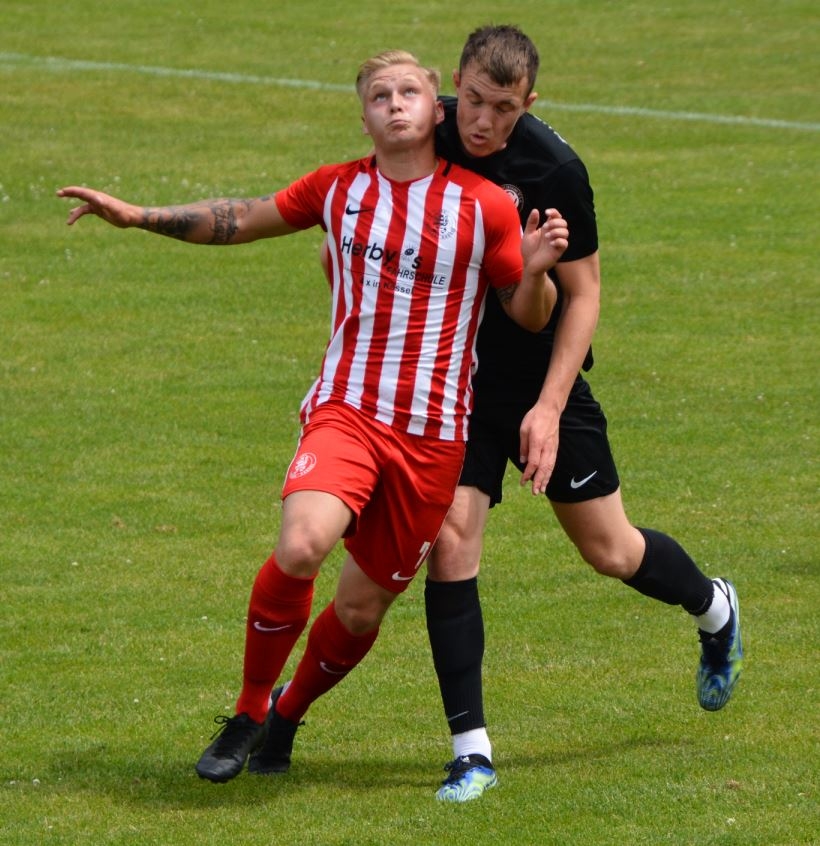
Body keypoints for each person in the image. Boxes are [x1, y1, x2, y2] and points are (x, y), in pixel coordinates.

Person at [59, 49, 568, 784]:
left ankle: (287, 716)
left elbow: (529, 314)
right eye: (379, 96)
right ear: (363, 117)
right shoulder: (336, 189)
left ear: (436, 109)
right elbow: (241, 218)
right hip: (346, 411)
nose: (395, 104)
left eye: (409, 92)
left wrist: (539, 269)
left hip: (432, 437)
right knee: (301, 545)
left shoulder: (484, 204)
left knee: (360, 611)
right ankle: (248, 710)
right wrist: (138, 216)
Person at [423, 25, 744, 802]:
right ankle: (472, 752)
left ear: (528, 103)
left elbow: (585, 294)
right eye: (474, 100)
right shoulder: (426, 130)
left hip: (540, 382)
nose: (484, 121)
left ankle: (714, 607)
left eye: (504, 108)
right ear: (454, 84)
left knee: (610, 551)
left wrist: (548, 406)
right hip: (457, 383)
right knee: (451, 541)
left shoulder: (553, 169)